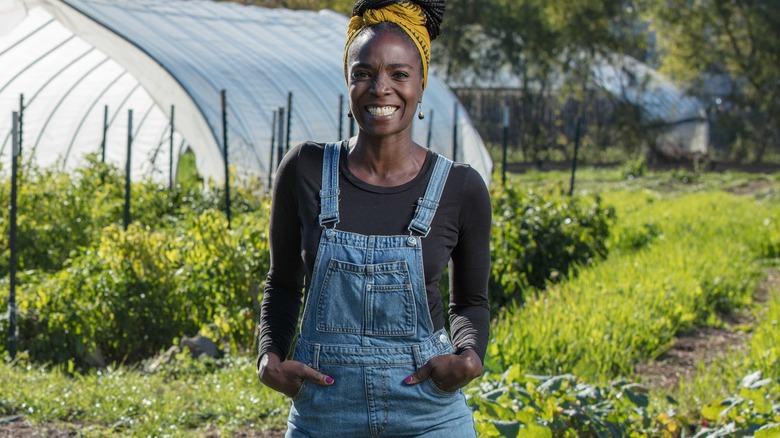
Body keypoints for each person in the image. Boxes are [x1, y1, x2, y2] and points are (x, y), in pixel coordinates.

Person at [256, 0, 491, 435]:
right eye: (363, 72)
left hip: (427, 414)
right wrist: (268, 357)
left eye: (399, 74)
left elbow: (470, 302)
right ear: (348, 83)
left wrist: (470, 357)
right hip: (325, 413)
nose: (380, 87)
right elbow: (283, 285)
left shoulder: (459, 187)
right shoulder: (305, 170)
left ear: (421, 85)